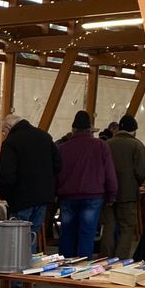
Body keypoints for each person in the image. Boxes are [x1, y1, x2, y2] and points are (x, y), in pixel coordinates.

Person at [56, 110, 116, 258]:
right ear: (90, 129)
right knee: (87, 234)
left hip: (67, 197)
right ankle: (82, 270)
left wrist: (55, 193)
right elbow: (109, 173)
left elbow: (55, 173)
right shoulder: (101, 146)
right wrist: (111, 195)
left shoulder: (63, 148)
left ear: (73, 129)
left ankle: (65, 268)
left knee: (67, 233)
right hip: (93, 197)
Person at [0, 113, 61, 252]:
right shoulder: (45, 136)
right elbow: (58, 164)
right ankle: (29, 266)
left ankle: (20, 268)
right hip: (43, 197)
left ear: (8, 127)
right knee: (33, 233)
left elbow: (7, 175)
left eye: (3, 131)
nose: (4, 134)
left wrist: (6, 196)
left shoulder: (10, 142)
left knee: (18, 236)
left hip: (21, 199)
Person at [101, 114, 145, 259]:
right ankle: (120, 260)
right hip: (128, 194)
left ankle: (106, 258)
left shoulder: (107, 144)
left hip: (107, 193)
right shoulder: (137, 145)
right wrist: (135, 183)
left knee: (108, 227)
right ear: (134, 130)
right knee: (126, 228)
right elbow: (142, 170)